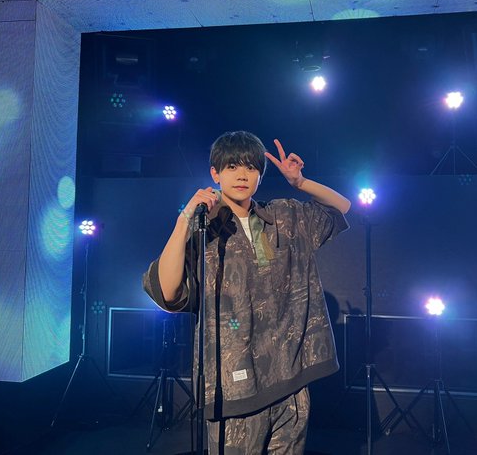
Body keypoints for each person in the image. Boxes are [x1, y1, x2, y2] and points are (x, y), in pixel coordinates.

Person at [143, 131, 350, 454]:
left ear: (260, 175)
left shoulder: (282, 216)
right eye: (232, 167)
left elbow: (342, 207)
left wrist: (300, 183)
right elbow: (167, 293)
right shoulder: (204, 229)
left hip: (291, 380)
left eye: (251, 167)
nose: (242, 175)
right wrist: (185, 219)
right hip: (235, 387)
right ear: (215, 174)